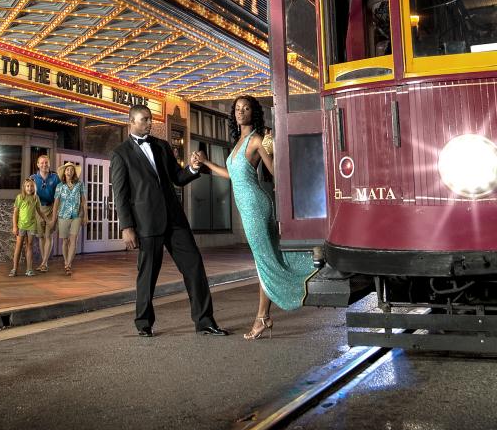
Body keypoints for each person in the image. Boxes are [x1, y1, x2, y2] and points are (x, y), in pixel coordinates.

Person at [197, 95, 315, 340]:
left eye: (246, 108)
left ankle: (262, 317)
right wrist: (207, 162)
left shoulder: (256, 140)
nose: (240, 112)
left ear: (253, 113)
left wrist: (276, 144)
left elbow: (275, 171)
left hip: (257, 206)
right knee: (264, 259)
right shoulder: (238, 141)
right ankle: (264, 316)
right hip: (247, 208)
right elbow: (231, 175)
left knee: (263, 261)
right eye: (237, 108)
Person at [110, 105, 228, 337]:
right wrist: (127, 227)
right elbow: (120, 194)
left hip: (175, 220)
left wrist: (194, 168)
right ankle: (144, 323)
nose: (149, 123)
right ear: (131, 121)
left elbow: (178, 177)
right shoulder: (120, 153)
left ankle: (204, 321)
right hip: (146, 223)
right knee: (148, 275)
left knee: (194, 266)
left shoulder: (162, 146)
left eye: (150, 119)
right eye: (144, 119)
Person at [51, 162, 87, 275]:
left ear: (74, 172)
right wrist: (53, 219)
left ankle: (68, 264)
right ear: (64, 172)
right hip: (63, 216)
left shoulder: (80, 184)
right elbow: (56, 203)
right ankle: (66, 261)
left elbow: (84, 201)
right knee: (65, 241)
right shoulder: (59, 186)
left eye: (72, 170)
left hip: (77, 215)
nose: (70, 171)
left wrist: (86, 216)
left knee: (73, 239)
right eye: (68, 170)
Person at [9, 178, 47, 277]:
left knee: (29, 245)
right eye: (27, 186)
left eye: (31, 186)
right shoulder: (20, 197)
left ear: (34, 188)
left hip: (32, 226)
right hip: (21, 225)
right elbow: (15, 213)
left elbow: (40, 211)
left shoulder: (36, 198)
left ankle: (29, 269)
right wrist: (14, 226)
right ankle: (14, 269)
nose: (29, 188)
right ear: (24, 187)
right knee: (18, 246)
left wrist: (47, 220)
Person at [30, 154, 59, 272]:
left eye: (46, 162)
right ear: (37, 165)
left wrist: (56, 214)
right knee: (41, 237)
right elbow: (29, 194)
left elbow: (58, 197)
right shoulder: (33, 178)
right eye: (41, 163)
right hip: (38, 209)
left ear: (49, 163)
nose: (44, 165)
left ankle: (44, 263)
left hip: (51, 208)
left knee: (48, 235)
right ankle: (44, 262)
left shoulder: (55, 177)